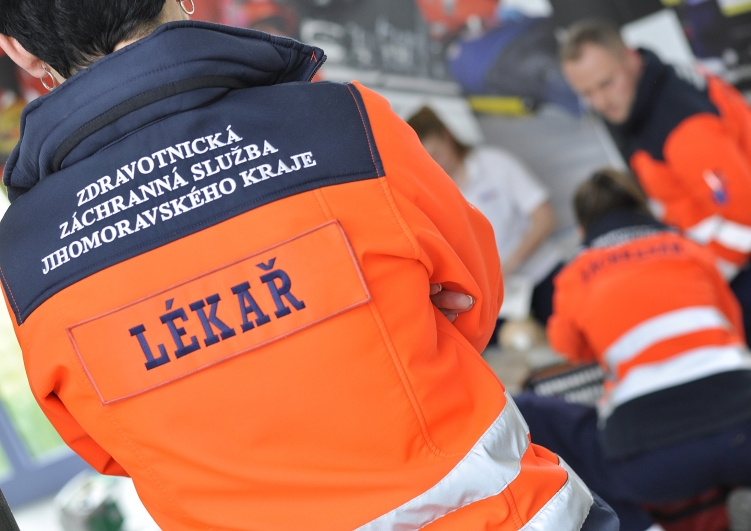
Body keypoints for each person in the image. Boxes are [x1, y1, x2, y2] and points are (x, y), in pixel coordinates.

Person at [0, 1, 617, 530]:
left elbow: (107, 449)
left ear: (18, 51)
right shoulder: (344, 123)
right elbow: (474, 296)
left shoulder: (24, 262)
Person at [515, 168, 751, 531]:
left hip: (656, 458)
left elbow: (569, 347)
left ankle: (642, 524)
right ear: (645, 209)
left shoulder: (576, 273)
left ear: (583, 230)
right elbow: (733, 325)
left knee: (541, 419)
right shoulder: (689, 247)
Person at [559, 20, 751, 373]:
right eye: (587, 93)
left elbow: (747, 216)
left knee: (723, 354)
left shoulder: (681, 124)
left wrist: (699, 279)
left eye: (606, 83)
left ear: (629, 59)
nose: (601, 102)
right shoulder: (642, 97)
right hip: (734, 247)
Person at [407, 106, 562, 325]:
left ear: (447, 136)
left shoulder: (493, 164)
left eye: (437, 154)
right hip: (498, 301)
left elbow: (545, 218)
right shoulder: (431, 198)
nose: (436, 163)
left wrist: (509, 266)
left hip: (543, 274)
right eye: (427, 159)